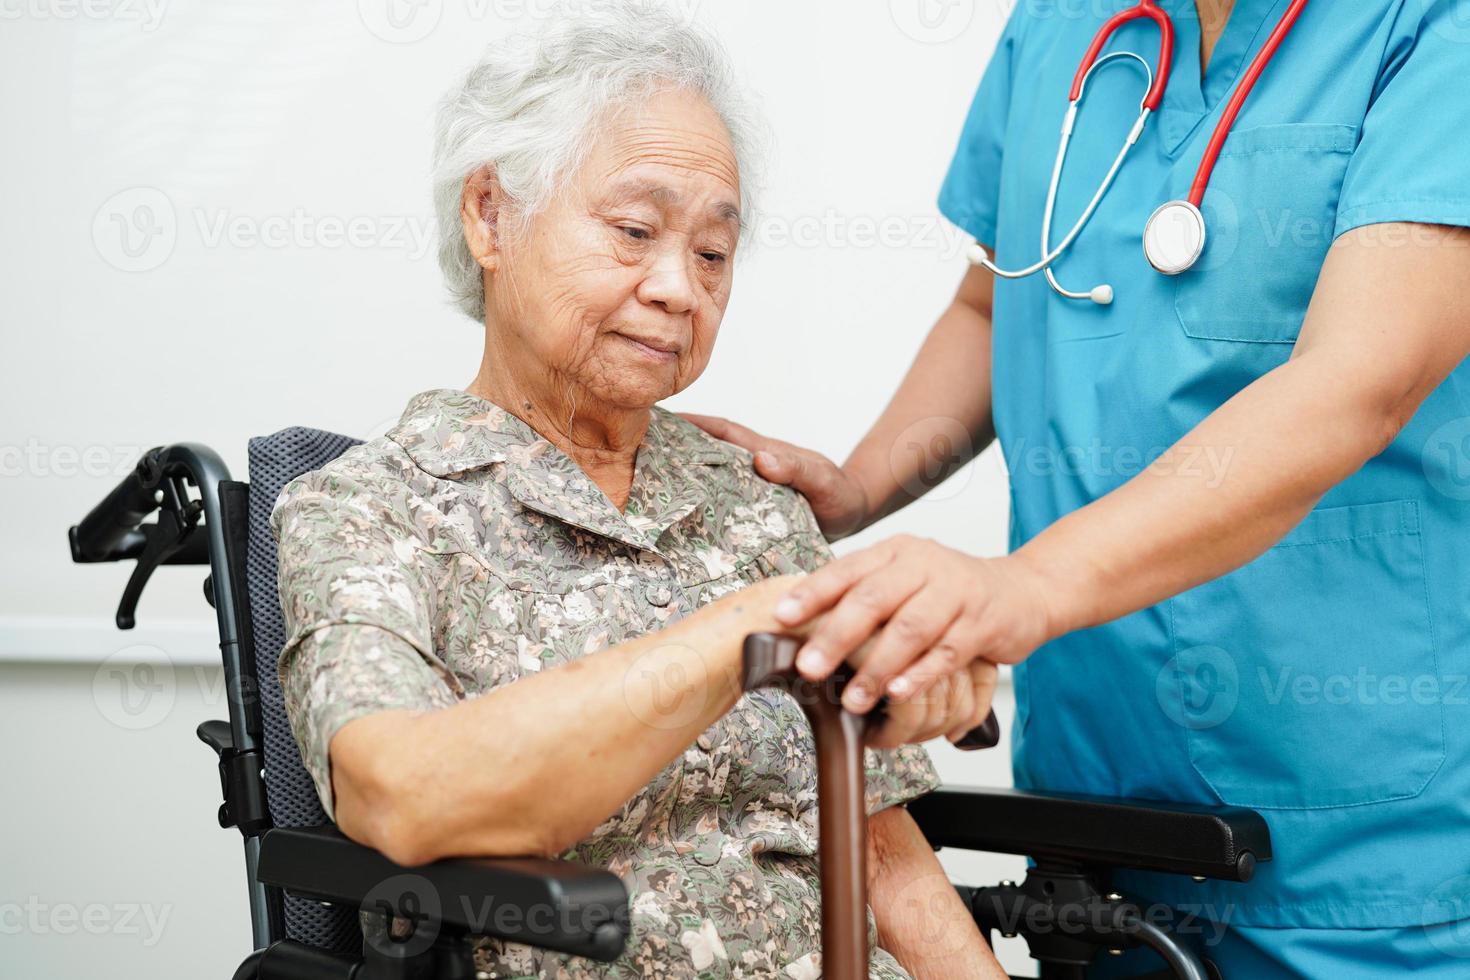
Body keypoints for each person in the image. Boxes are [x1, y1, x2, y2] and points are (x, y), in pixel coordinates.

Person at [688, 1, 1470, 975]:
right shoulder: (1061, 25)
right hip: (1092, 829)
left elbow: (1360, 382)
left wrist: (1027, 586)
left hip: (1352, 850)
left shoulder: (1430, 29)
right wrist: (858, 482)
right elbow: (993, 303)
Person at [271, 6, 1005, 978]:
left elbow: (881, 858)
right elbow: (406, 794)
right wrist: (750, 627)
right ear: (489, 215)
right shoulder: (369, 509)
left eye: (712, 252)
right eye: (634, 229)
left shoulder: (754, 507)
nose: (679, 287)